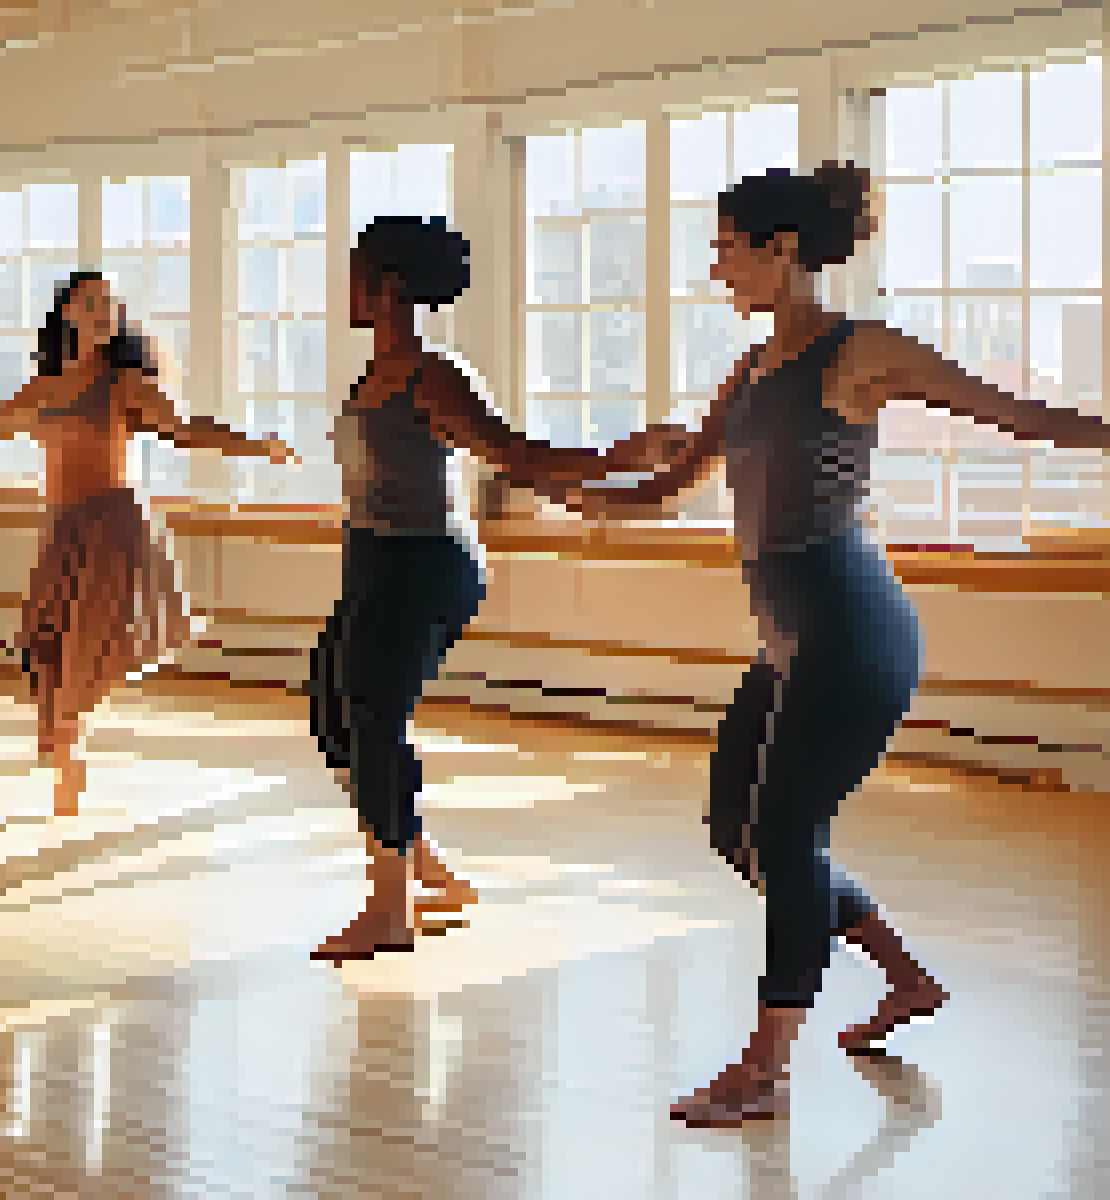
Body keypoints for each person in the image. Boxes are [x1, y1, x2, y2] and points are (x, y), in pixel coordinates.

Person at [535, 162, 1110, 1127]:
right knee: (737, 830)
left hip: (852, 627)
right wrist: (576, 488)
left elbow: (1018, 415)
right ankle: (905, 980)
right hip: (788, 642)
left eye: (727, 250)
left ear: (782, 250)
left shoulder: (861, 350)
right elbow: (674, 482)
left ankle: (762, 1070)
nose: (717, 270)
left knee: (787, 833)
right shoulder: (752, 367)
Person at [307, 216, 671, 962]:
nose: (344, 284)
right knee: (332, 719)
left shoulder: (433, 374)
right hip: (372, 560)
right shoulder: (372, 374)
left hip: (424, 563)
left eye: (355, 271)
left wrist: (614, 460)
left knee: (374, 722)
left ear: (389, 285)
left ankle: (390, 908)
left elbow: (511, 453)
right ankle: (429, 873)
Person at [0, 270, 297, 815]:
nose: (103, 312)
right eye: (90, 303)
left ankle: (70, 749)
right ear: (67, 313)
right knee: (45, 643)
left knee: (89, 643)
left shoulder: (126, 384)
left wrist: (256, 444)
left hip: (115, 528)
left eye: (110, 305)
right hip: (63, 530)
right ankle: (63, 737)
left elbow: (186, 429)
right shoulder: (44, 388)